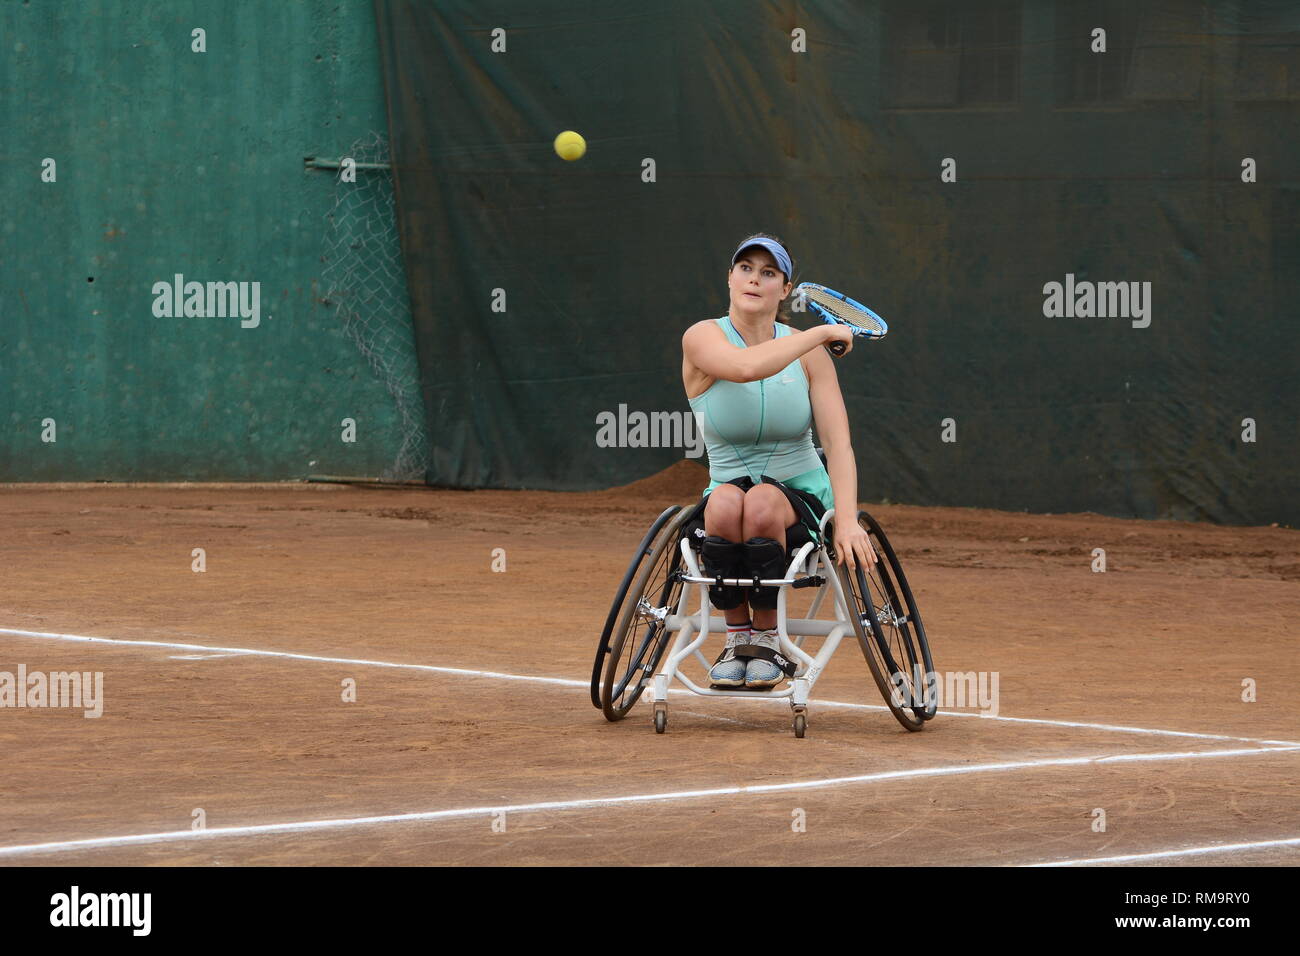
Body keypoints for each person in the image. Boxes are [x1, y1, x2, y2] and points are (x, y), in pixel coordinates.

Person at [681, 232, 877, 689]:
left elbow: (839, 443)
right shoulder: (701, 338)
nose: (755, 279)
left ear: (784, 289)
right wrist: (821, 333)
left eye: (769, 273)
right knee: (726, 505)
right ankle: (737, 636)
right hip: (727, 487)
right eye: (745, 268)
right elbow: (747, 367)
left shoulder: (810, 355)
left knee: (764, 501)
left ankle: (766, 636)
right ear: (730, 278)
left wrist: (847, 520)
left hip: (799, 493)